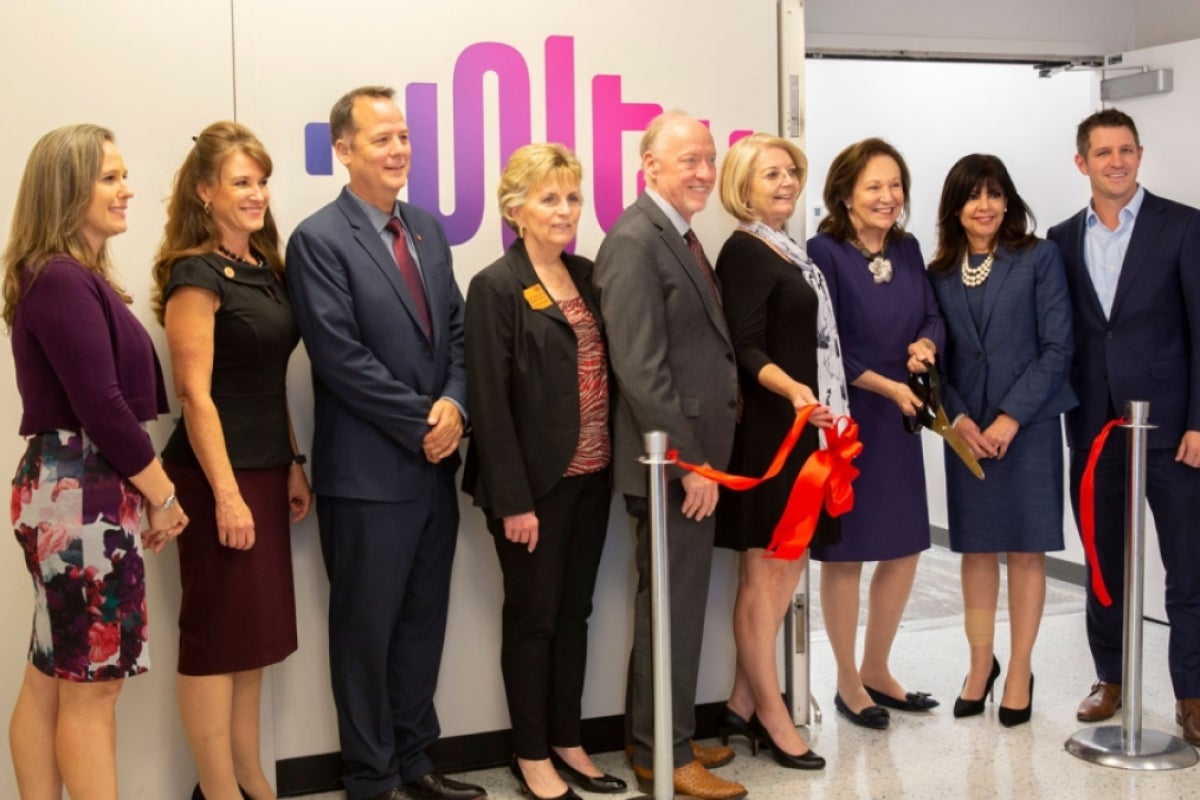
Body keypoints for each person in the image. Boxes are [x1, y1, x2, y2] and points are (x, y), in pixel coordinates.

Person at [285, 86, 484, 800]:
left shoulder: (427, 228)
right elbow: (338, 359)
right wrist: (420, 423)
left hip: (432, 472)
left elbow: (457, 335)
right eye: (381, 139)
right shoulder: (318, 238)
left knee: (421, 628)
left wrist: (456, 406)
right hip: (368, 475)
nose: (399, 149)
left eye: (403, 136)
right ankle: (372, 778)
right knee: (366, 635)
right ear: (343, 150)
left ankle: (415, 764)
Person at [4, 124, 188, 800]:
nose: (126, 188)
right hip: (81, 493)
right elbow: (104, 409)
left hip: (75, 489)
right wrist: (164, 496)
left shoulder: (69, 276)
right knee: (90, 690)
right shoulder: (56, 278)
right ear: (67, 187)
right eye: (109, 176)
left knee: (52, 674)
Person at [151, 121, 312, 800]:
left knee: (254, 643)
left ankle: (252, 781)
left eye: (261, 181)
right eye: (241, 182)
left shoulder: (264, 271)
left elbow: (266, 382)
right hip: (217, 475)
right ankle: (218, 790)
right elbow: (196, 393)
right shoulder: (195, 272)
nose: (256, 194)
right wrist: (225, 494)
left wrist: (292, 463)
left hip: (266, 468)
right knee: (217, 641)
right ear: (205, 191)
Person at [462, 143, 624, 800]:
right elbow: (490, 403)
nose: (565, 210)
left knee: (576, 612)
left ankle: (567, 738)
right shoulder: (495, 287)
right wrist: (514, 500)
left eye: (573, 197)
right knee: (533, 617)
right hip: (533, 489)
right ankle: (530, 752)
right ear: (515, 209)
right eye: (550, 198)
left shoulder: (586, 275)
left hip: (593, 478)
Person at [593, 111, 745, 800]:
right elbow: (641, 370)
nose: (704, 173)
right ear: (648, 165)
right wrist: (690, 464)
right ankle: (662, 753)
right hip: (669, 467)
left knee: (678, 606)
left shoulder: (677, 235)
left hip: (685, 462)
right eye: (687, 160)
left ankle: (666, 735)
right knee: (671, 609)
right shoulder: (634, 240)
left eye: (709, 160)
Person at [1047, 108, 1200, 745]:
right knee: (1104, 563)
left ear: (1140, 154)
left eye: (1127, 150)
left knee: (1188, 568)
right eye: (1103, 153)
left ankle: (1192, 695)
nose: (1117, 162)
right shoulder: (1058, 238)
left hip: (1173, 432)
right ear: (1081, 162)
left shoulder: (1184, 227)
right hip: (1095, 430)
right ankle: (1108, 678)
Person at [927, 154, 1076, 727]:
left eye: (993, 194)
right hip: (966, 431)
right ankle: (978, 664)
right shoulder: (938, 270)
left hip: (1029, 428)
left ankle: (1018, 670)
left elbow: (1058, 348)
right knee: (976, 550)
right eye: (971, 197)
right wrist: (960, 419)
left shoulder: (1039, 258)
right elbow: (934, 355)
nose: (984, 206)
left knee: (1026, 550)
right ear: (955, 209)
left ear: (1008, 200)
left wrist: (1010, 417)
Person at [711, 133, 842, 770]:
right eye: (770, 175)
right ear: (743, 185)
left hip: (803, 430)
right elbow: (745, 347)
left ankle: (739, 702)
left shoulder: (790, 251)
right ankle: (771, 711)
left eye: (791, 172)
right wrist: (792, 388)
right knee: (765, 578)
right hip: (770, 432)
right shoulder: (743, 251)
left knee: (783, 575)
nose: (786, 183)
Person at [807, 138, 944, 729]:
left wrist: (927, 343)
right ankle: (844, 680)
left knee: (905, 546)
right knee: (847, 555)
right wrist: (887, 387)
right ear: (844, 193)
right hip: (852, 422)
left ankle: (878, 669)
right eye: (874, 187)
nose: (888, 197)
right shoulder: (824, 252)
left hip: (900, 419)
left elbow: (932, 313)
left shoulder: (909, 249)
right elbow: (829, 343)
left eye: (895, 186)